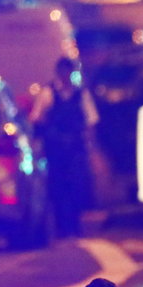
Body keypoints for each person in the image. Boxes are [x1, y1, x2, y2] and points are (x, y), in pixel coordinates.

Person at [30, 57, 99, 238]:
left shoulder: (81, 95)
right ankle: (62, 226)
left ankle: (74, 224)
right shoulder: (48, 93)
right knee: (57, 187)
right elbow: (37, 118)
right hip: (56, 150)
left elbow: (90, 121)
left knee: (76, 186)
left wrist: (89, 146)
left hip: (75, 149)